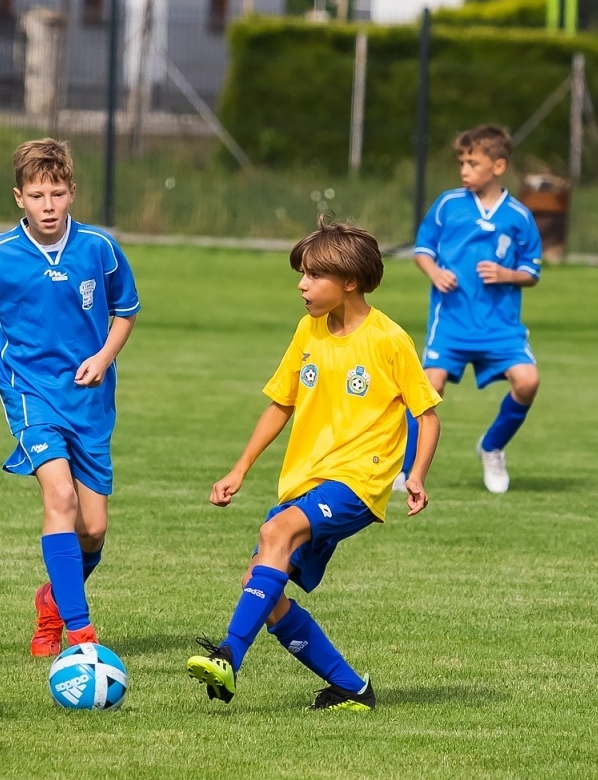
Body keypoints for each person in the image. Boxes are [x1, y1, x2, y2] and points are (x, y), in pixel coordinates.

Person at [187, 222, 441, 712]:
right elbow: (280, 404)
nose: (301, 285)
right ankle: (350, 687)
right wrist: (239, 469)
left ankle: (228, 655)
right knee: (261, 586)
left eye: (312, 276)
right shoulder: (309, 329)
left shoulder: (388, 340)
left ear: (349, 281)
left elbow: (427, 417)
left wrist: (416, 475)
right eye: (302, 275)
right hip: (307, 479)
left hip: (358, 480)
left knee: (277, 531)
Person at [0, 138, 139, 656]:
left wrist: (104, 356)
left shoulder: (99, 248)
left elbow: (125, 311)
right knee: (58, 496)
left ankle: (54, 600)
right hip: (28, 393)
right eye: (37, 195)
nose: (48, 205)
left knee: (94, 529)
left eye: (57, 194)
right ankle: (80, 634)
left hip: (89, 398)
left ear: (72, 194)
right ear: (19, 197)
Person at [402, 123, 542, 494]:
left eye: (473, 163)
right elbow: (423, 249)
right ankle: (406, 471)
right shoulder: (448, 205)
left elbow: (532, 271)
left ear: (498, 167)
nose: (464, 170)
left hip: (499, 325)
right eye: (462, 163)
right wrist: (435, 272)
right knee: (427, 390)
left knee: (528, 382)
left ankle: (492, 446)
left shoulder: (519, 216)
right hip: (450, 321)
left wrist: (506, 273)